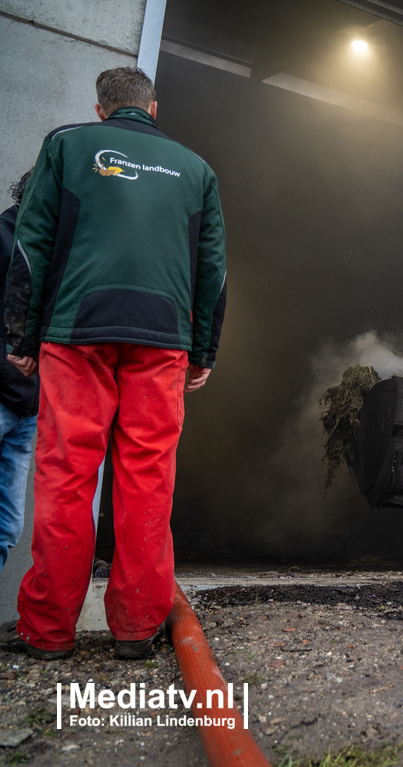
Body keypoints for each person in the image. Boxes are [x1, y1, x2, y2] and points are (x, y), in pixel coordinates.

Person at [0, 67, 227, 660]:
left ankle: (48, 633)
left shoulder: (67, 145)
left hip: (78, 332)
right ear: (154, 107)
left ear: (101, 110)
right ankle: (135, 630)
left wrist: (21, 337)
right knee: (148, 480)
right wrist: (202, 350)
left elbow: (31, 243)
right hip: (162, 340)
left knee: (66, 479)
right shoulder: (197, 169)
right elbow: (214, 274)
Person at [0, 171, 38, 574]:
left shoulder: (45, 247)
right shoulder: (2, 235)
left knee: (7, 529)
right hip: (4, 398)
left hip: (27, 411)